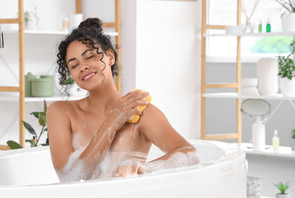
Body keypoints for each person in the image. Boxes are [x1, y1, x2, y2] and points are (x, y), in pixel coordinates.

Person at [47, 18, 200, 182]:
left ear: (110, 57)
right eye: (74, 65)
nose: (83, 67)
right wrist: (113, 120)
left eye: (90, 56)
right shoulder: (61, 112)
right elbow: (70, 177)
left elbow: (191, 155)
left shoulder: (139, 112)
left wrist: (143, 168)